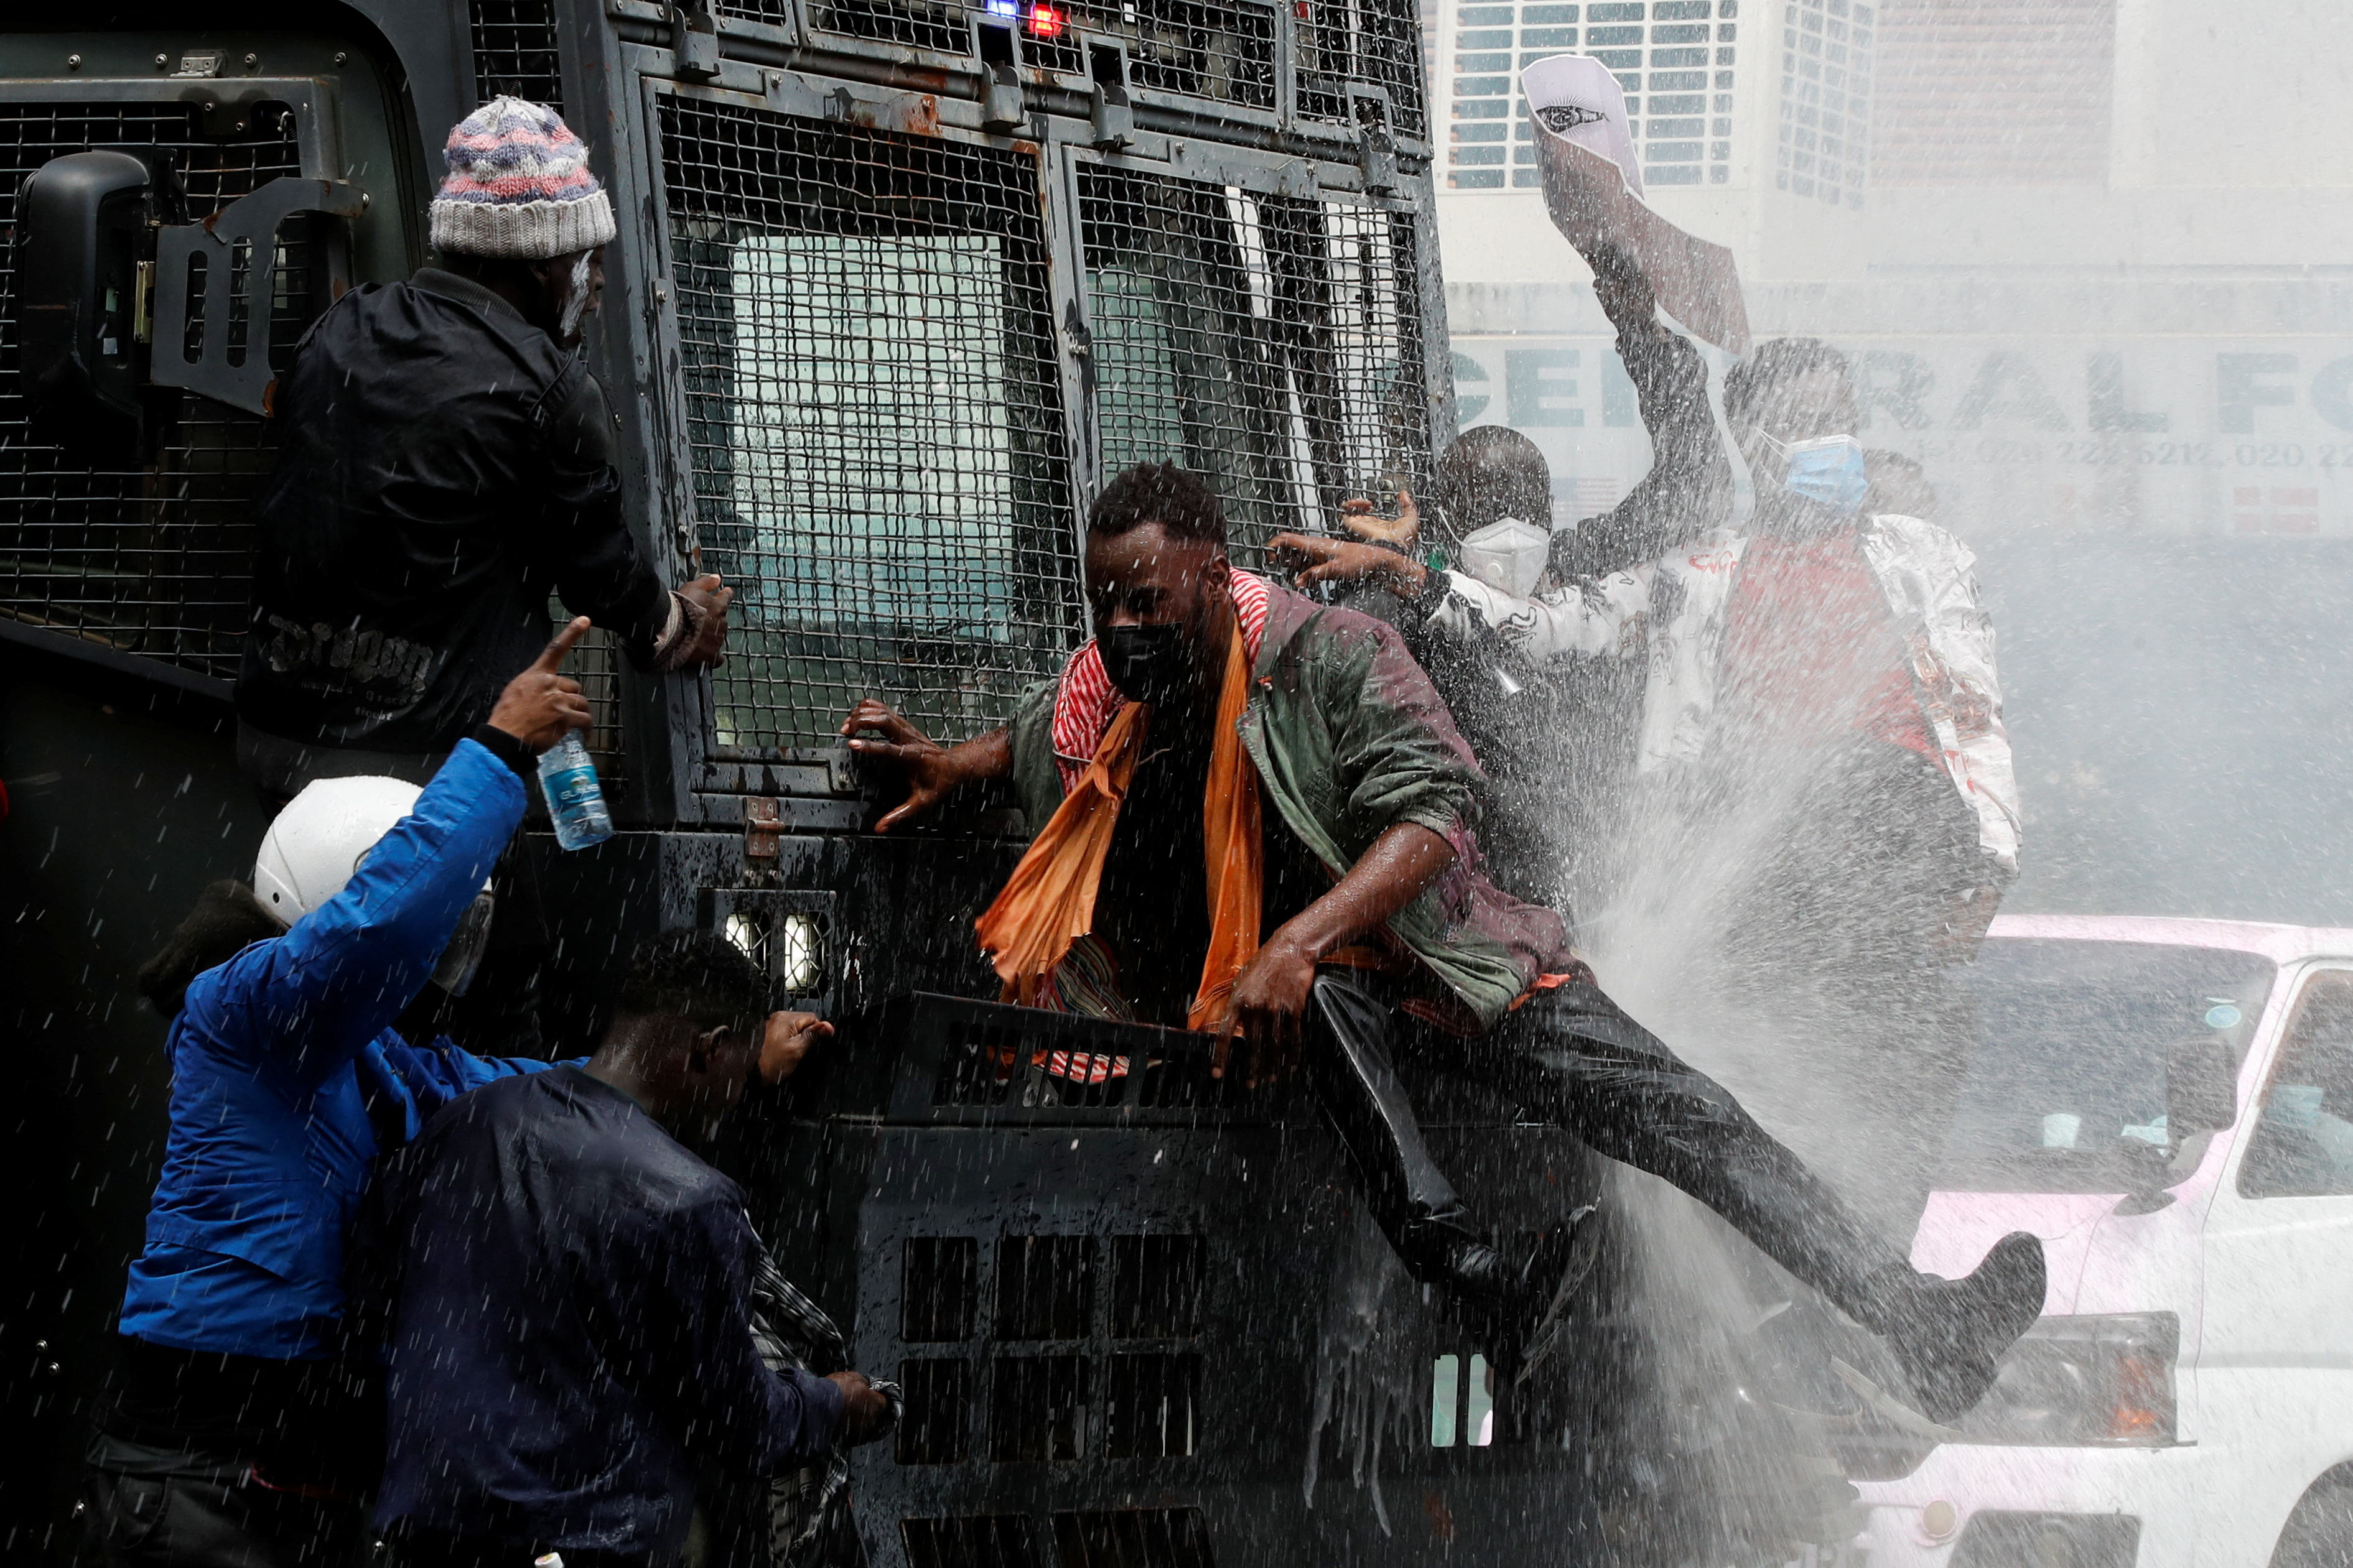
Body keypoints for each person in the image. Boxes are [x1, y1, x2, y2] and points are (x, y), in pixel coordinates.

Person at [843, 460, 2044, 1423]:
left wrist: (1299, 936)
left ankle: (1914, 1320)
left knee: (1693, 1122)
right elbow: (1045, 737)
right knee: (1304, 994)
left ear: (1211, 578)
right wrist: (949, 763)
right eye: (1104, 601)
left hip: (1464, 958)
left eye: (1145, 600)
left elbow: (1432, 815)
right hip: (1334, 1000)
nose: (1119, 625)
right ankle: (1486, 1291)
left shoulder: (1334, 654)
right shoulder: (1122, 686)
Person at [1274, 335, 2017, 1242]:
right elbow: (1547, 627)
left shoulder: (1922, 558)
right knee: (1743, 1104)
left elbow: (1971, 715)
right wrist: (1414, 575)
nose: (1832, 442)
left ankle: (1876, 1281)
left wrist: (1991, 861)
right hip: (1756, 891)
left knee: (1913, 1061)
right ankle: (1807, 1305)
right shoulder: (1698, 575)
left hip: (1889, 863)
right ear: (1756, 442)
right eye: (1805, 424)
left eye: (1842, 420)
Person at [83, 622, 601, 1568]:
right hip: (206, 1483)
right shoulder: (242, 1012)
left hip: (294, 1487)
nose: (440, 966)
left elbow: (546, 1098)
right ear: (331, 905)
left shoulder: (385, 1061)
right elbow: (383, 931)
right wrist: (493, 750)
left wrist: (682, 1072)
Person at [233, 96, 732, 1050]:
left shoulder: (341, 333)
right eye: (586, 259)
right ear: (542, 259)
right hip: (428, 771)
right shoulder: (548, 390)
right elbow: (604, 581)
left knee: (304, 1016)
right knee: (481, 1024)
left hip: (284, 750)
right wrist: (676, 621)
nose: (590, 283)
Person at [365, 932, 892, 1568]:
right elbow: (743, 1425)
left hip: (427, 1531)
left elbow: (378, 1266)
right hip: (579, 1543)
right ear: (708, 1049)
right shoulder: (691, 1199)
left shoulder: (471, 1120)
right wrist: (837, 1402)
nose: (733, 1096)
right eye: (736, 1069)